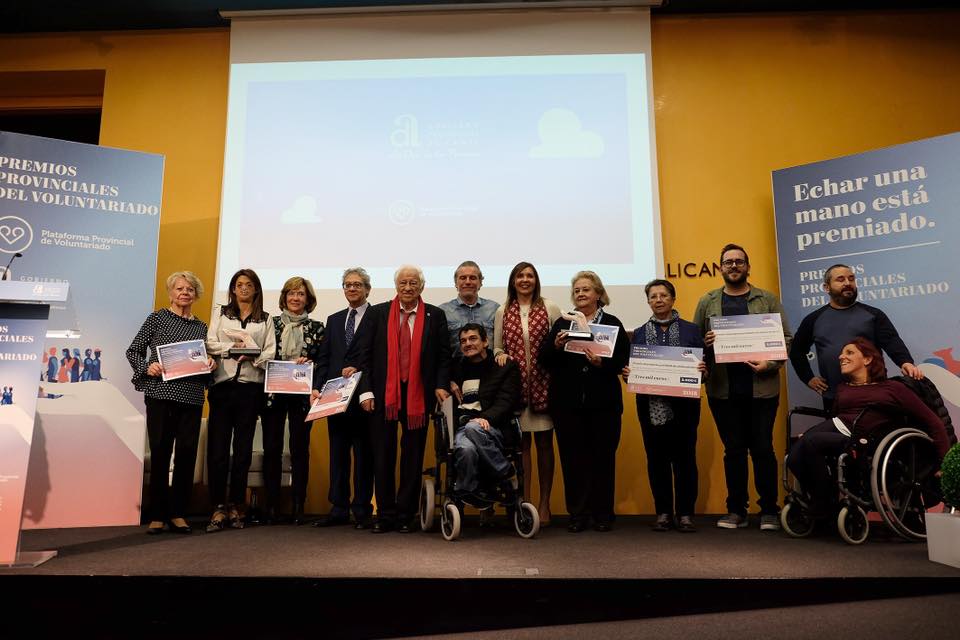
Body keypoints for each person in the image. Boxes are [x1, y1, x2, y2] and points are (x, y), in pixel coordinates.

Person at [787, 337, 951, 515]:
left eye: (849, 352)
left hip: (866, 440)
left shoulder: (892, 388)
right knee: (795, 453)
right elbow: (837, 419)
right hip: (839, 431)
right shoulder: (843, 388)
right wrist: (809, 433)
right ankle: (823, 500)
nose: (841, 356)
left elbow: (933, 421)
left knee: (812, 442)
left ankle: (824, 506)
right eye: (842, 353)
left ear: (867, 359)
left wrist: (944, 463)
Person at [693, 243, 792, 531]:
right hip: (723, 390)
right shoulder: (707, 301)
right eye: (728, 262)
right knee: (733, 450)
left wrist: (770, 365)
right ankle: (736, 510)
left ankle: (769, 511)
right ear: (720, 267)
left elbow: (786, 339)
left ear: (748, 267)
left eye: (739, 262)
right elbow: (693, 342)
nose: (733, 266)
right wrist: (706, 344)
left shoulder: (767, 300)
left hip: (762, 388)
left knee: (763, 448)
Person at [354, 265, 451, 533]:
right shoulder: (378, 313)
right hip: (385, 394)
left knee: (413, 456)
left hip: (419, 395)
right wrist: (366, 391)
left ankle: (405, 514)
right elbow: (365, 355)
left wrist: (441, 385)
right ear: (396, 286)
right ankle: (385, 514)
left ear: (421, 286)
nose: (408, 288)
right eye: (403, 283)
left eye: (413, 283)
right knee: (382, 455)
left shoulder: (436, 315)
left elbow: (444, 356)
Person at [539, 270, 629, 533]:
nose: (580, 294)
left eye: (586, 289)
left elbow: (624, 360)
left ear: (598, 294)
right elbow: (545, 360)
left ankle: (603, 514)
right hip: (568, 406)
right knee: (572, 460)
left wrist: (603, 363)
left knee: (603, 459)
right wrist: (555, 345)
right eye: (577, 290)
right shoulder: (562, 323)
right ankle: (578, 514)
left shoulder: (612, 323)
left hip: (604, 405)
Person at [126, 271, 215, 535]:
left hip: (191, 396)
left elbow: (202, 358)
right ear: (171, 293)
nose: (184, 292)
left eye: (189, 289)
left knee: (187, 456)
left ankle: (178, 513)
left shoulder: (201, 326)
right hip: (160, 395)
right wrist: (147, 366)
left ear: (195, 295)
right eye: (179, 288)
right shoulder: (156, 318)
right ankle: (157, 515)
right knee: (161, 453)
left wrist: (210, 362)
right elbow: (133, 350)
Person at [622, 279, 706, 533]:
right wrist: (628, 373)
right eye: (653, 296)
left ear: (673, 298)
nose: (658, 300)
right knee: (656, 460)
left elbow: (706, 366)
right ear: (648, 301)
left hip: (685, 407)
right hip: (650, 406)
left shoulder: (692, 330)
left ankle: (686, 514)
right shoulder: (637, 333)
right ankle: (663, 513)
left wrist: (704, 370)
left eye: (663, 295)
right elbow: (631, 368)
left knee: (685, 460)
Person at [204, 268, 276, 532]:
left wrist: (253, 355)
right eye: (239, 284)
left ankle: (237, 505)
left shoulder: (265, 319)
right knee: (218, 450)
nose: (244, 288)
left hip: (250, 389)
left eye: (249, 285)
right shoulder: (220, 314)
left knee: (243, 452)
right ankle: (217, 507)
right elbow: (210, 343)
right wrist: (233, 349)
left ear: (256, 289)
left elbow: (270, 351)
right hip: (222, 388)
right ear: (233, 289)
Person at [789, 263, 922, 405]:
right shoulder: (813, 319)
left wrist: (905, 361)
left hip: (874, 393)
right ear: (826, 287)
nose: (848, 283)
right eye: (840, 280)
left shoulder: (873, 315)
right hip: (834, 397)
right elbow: (796, 351)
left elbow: (892, 342)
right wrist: (808, 378)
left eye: (851, 279)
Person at [492, 261, 561, 526]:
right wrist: (501, 356)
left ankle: (544, 503)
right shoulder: (502, 311)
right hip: (515, 390)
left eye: (530, 276)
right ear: (512, 281)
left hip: (545, 387)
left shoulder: (550, 307)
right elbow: (497, 348)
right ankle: (526, 502)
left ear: (536, 280)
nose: (525, 280)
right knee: (521, 448)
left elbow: (560, 343)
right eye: (520, 276)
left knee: (544, 445)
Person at [312, 267, 376, 529]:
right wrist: (317, 387)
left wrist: (361, 372)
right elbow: (325, 357)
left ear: (367, 289)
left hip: (364, 397)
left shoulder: (377, 316)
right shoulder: (335, 319)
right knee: (337, 455)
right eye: (348, 285)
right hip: (335, 397)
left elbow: (378, 356)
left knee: (364, 457)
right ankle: (338, 508)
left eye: (358, 285)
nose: (352, 289)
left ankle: (362, 509)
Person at [261, 276, 325, 525]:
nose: (296, 298)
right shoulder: (270, 324)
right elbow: (263, 355)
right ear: (284, 297)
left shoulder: (318, 328)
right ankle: (272, 506)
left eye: (301, 294)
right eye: (291, 293)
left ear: (308, 299)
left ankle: (299, 505)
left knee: (300, 450)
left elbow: (324, 362)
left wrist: (312, 363)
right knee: (272, 449)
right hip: (273, 394)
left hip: (302, 396)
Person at [451, 323, 521, 500]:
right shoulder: (456, 368)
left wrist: (484, 418)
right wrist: (449, 382)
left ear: (485, 342)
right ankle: (470, 491)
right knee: (466, 449)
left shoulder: (504, 366)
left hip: (495, 426)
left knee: (473, 428)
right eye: (463, 341)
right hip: (464, 428)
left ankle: (503, 472)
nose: (467, 344)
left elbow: (507, 400)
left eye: (473, 338)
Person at [439, 260, 499, 357]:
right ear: (456, 283)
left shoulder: (495, 309)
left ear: (480, 283)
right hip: (456, 370)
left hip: (491, 369)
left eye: (472, 278)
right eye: (463, 278)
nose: (467, 282)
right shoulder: (443, 311)